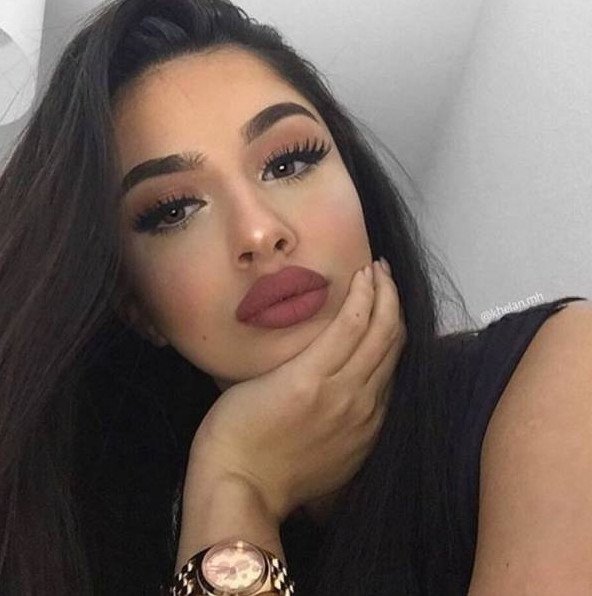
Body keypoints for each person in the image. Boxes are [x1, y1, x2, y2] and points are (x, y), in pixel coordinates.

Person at [0, 0, 590, 594]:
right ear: (136, 307)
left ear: (357, 190)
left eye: (288, 162)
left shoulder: (562, 366)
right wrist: (232, 485)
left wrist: (238, 482)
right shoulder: (90, 529)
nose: (259, 233)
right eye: (174, 209)